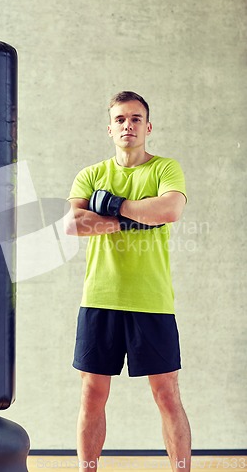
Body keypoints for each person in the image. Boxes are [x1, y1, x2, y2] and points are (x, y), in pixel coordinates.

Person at [65, 91, 191, 472]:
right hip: (100, 298)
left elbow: (169, 209)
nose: (128, 125)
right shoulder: (91, 174)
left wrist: (113, 206)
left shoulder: (165, 169)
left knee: (167, 393)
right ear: (110, 128)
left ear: (147, 127)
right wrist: (139, 216)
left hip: (151, 300)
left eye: (136, 119)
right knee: (92, 394)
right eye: (120, 119)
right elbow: (73, 224)